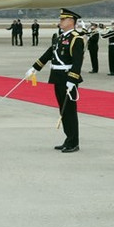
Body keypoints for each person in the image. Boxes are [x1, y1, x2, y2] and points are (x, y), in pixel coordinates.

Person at [25, 8, 86, 153]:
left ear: (71, 21)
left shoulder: (76, 38)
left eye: (63, 19)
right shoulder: (59, 37)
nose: (60, 22)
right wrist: (34, 68)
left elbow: (78, 62)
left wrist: (72, 80)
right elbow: (48, 54)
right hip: (57, 77)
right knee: (63, 110)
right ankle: (68, 139)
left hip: (67, 78)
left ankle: (73, 142)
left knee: (70, 111)